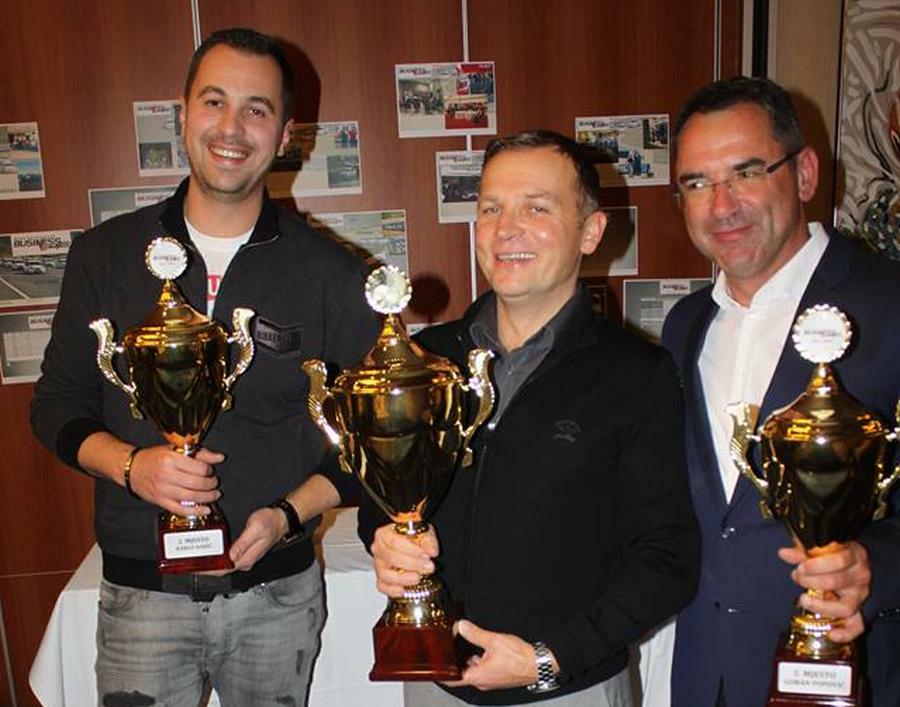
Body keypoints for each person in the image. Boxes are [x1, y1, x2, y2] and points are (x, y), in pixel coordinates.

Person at [31, 28, 378, 706]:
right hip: (141, 595)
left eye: (257, 109)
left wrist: (287, 515)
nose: (231, 127)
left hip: (277, 596)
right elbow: (55, 404)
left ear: (285, 135)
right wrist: (132, 465)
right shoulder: (104, 255)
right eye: (214, 101)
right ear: (182, 114)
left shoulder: (331, 274)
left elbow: (366, 440)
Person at [358, 130, 700, 706]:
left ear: (591, 232)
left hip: (567, 689)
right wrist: (384, 540)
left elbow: (668, 558)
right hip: (435, 683)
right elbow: (383, 493)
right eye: (491, 208)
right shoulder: (425, 360)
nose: (506, 229)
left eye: (536, 208)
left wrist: (550, 656)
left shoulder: (637, 375)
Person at [662, 76, 900, 707]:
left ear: (805, 174)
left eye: (746, 172)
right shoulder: (685, 325)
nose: (722, 205)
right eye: (697, 183)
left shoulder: (892, 304)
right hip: (706, 679)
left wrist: (877, 566)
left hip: (856, 674)